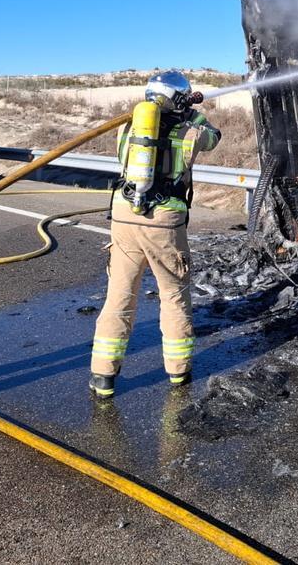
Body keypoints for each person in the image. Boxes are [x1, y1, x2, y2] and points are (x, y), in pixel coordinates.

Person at [89, 71, 220, 398]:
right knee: (173, 296)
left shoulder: (126, 127)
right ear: (182, 100)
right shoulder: (191, 133)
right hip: (164, 220)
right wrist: (194, 113)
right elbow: (213, 137)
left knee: (119, 296)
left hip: (124, 215)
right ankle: (178, 372)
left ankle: (103, 376)